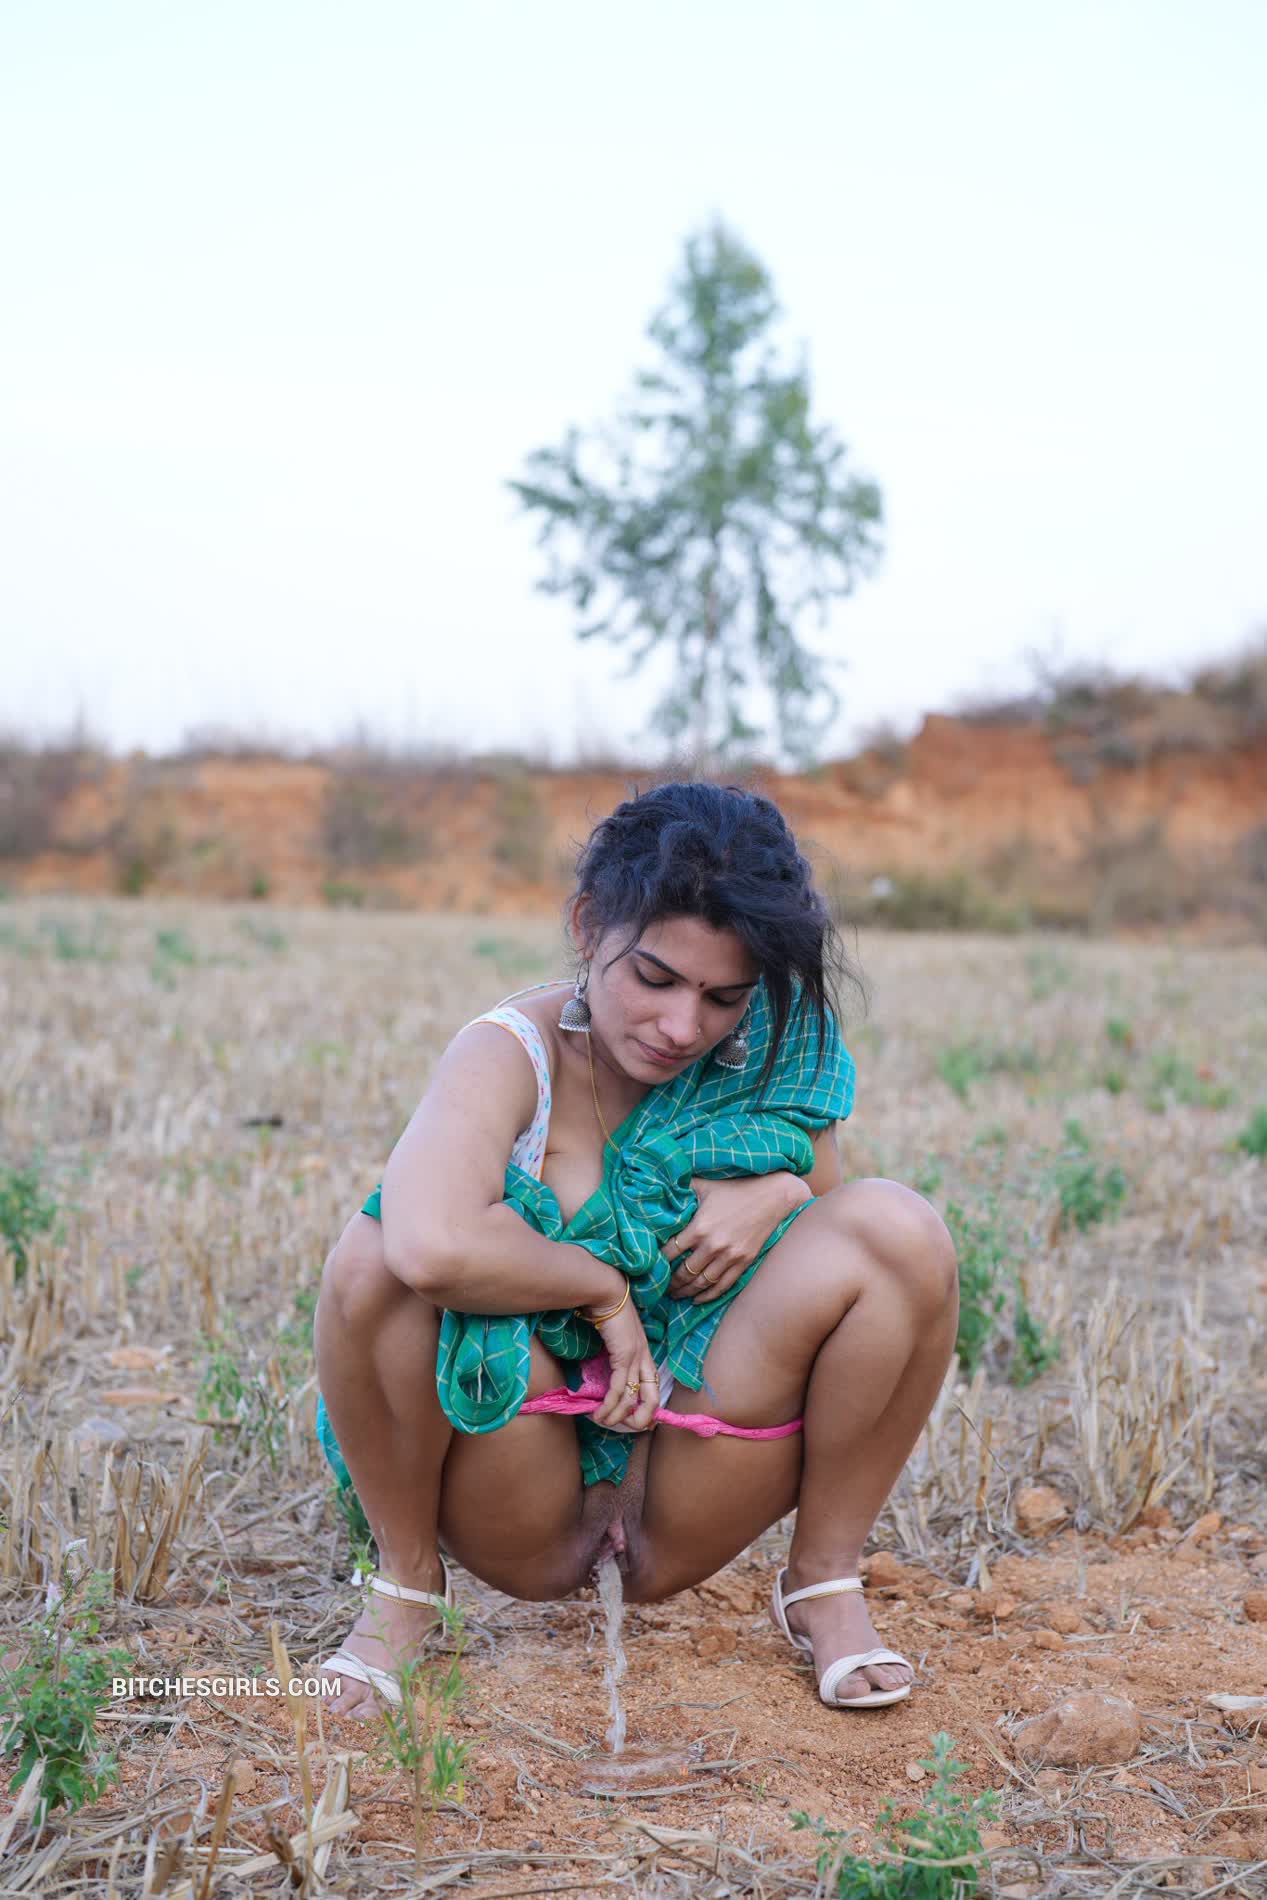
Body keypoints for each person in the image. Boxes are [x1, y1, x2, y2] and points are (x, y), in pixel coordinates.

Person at [314, 782, 958, 1719]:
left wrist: (780, 1190)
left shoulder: (766, 1055)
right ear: (588, 927)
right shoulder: (511, 1052)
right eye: (653, 979)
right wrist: (604, 1294)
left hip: (690, 1474)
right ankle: (406, 1587)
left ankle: (821, 1582)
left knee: (901, 1230)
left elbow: (836, 1230)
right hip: (518, 1477)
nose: (682, 1028)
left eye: (723, 996)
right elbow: (432, 1245)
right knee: (372, 1258)